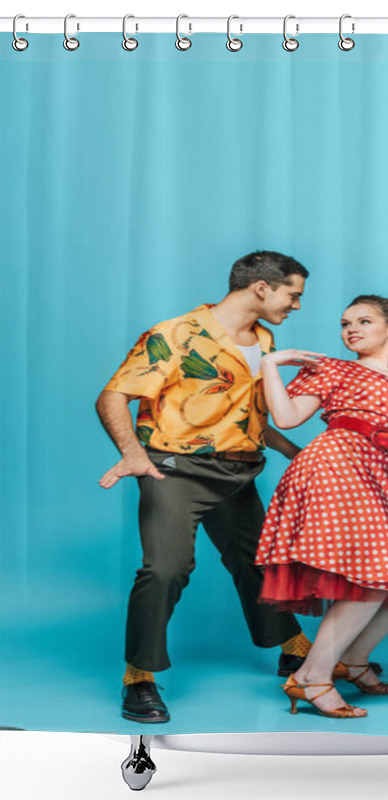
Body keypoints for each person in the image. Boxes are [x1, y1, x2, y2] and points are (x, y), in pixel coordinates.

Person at [96, 250, 328, 724]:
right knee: (166, 569)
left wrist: (293, 452)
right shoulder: (175, 334)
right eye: (293, 294)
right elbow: (112, 395)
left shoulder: (264, 339)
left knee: (257, 562)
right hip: (176, 469)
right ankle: (139, 677)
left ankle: (292, 648)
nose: (298, 305)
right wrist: (133, 453)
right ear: (262, 287)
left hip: (239, 471)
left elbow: (248, 412)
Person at [256, 294, 388, 718]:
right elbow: (288, 417)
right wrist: (270, 366)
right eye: (346, 323)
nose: (351, 329)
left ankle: (352, 661)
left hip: (379, 474)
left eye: (364, 321)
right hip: (335, 465)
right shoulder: (334, 369)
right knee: (372, 578)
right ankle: (313, 678)